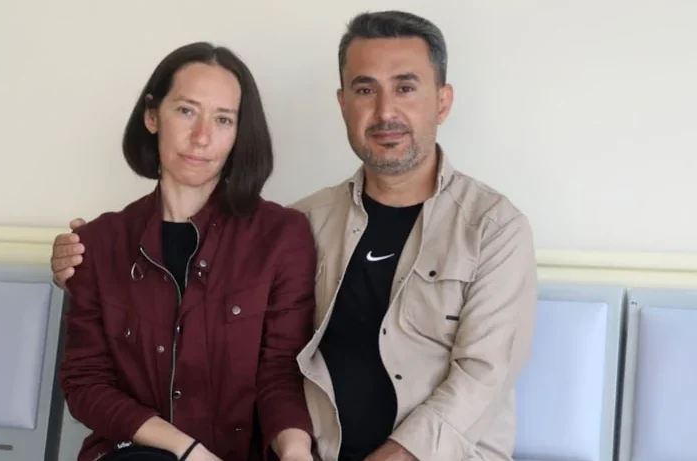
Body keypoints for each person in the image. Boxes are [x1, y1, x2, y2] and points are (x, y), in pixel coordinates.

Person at [52, 10, 538, 461]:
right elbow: (275, 360)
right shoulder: (305, 222)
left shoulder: (493, 229)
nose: (385, 111)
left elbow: (482, 377)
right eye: (365, 89)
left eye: (406, 88)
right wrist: (77, 261)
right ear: (343, 103)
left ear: (443, 101)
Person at [54, 41, 316, 461]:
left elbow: (281, 372)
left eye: (223, 119)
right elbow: (85, 383)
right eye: (187, 111)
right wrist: (186, 450)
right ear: (152, 116)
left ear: (239, 134)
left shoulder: (282, 235)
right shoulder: (100, 243)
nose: (202, 137)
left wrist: (296, 452)